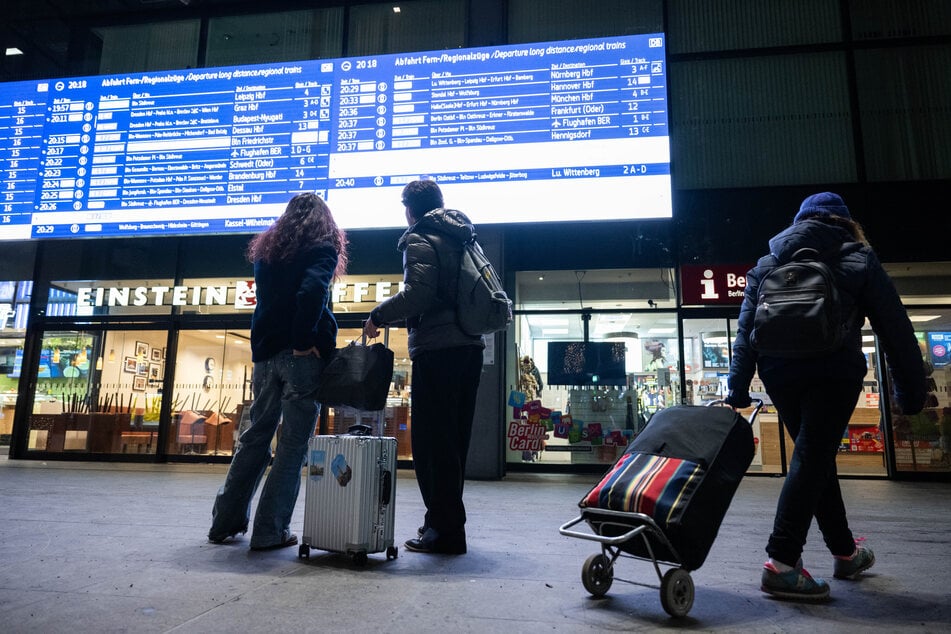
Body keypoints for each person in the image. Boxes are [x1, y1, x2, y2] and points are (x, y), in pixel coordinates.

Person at [725, 192, 925, 601]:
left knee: (813, 459)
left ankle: (845, 552)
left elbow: (746, 333)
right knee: (813, 458)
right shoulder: (858, 258)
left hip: (778, 373)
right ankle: (781, 563)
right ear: (845, 223)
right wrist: (911, 393)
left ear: (799, 223)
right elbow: (895, 329)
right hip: (833, 370)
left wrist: (738, 387)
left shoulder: (768, 263)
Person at [208, 192, 347, 550]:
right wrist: (304, 341)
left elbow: (269, 304)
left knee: (255, 437)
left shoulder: (267, 252)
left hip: (265, 355)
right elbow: (312, 291)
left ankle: (224, 521)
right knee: (292, 446)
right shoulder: (321, 248)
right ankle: (270, 531)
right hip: (299, 359)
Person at [363, 179, 484, 555]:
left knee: (432, 444)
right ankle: (445, 524)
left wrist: (378, 315)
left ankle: (445, 532)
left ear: (409, 209)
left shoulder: (419, 238)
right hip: (469, 347)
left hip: (438, 350)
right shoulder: (463, 236)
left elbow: (419, 293)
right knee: (454, 442)